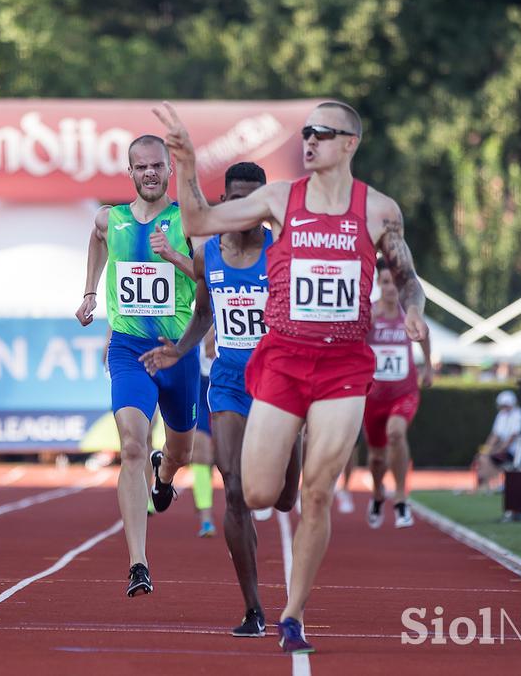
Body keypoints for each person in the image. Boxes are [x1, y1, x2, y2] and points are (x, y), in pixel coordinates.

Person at [154, 101, 428, 653]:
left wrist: (414, 310)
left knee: (317, 494)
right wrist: (185, 163)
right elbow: (198, 223)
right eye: (306, 133)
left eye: (322, 134)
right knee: (255, 492)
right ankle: (288, 454)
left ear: (350, 142)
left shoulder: (379, 211)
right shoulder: (280, 200)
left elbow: (409, 276)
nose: (309, 142)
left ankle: (291, 615)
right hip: (279, 361)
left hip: (345, 364)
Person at [140, 161, 301, 638]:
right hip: (230, 376)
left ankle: (297, 446)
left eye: (253, 199)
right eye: (235, 199)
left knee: (286, 499)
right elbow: (205, 313)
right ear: (224, 202)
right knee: (233, 489)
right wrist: (180, 349)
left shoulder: (281, 254)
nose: (243, 209)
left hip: (278, 379)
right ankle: (254, 608)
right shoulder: (209, 252)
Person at [76, 134, 199, 597]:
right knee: (131, 443)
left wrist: (174, 256)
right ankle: (138, 564)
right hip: (128, 348)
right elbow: (95, 239)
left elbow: (208, 276)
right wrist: (89, 291)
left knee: (182, 451)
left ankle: (164, 475)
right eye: (140, 167)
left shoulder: (187, 220)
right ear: (130, 172)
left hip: (178, 351)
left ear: (170, 170)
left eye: (156, 166)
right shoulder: (112, 218)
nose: (149, 173)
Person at [364, 257, 433, 529]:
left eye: (394, 282)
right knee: (376, 457)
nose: (391, 288)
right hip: (373, 396)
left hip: (404, 392)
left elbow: (424, 334)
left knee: (396, 432)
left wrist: (428, 365)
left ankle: (402, 497)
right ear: (378, 285)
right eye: (385, 282)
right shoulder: (369, 315)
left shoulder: (409, 314)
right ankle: (379, 491)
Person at [473, 390, 521, 492]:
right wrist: (486, 449)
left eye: (505, 405)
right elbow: (495, 435)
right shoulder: (501, 415)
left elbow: (512, 437)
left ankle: (484, 486)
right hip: (505, 450)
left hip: (515, 453)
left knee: (487, 459)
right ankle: (485, 486)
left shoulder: (518, 415)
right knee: (482, 457)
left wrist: (497, 450)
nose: (504, 408)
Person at [192, 330, 216, 538]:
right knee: (201, 456)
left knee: (227, 458)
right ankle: (206, 519)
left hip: (226, 389)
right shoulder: (196, 316)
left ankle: (242, 509)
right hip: (200, 394)